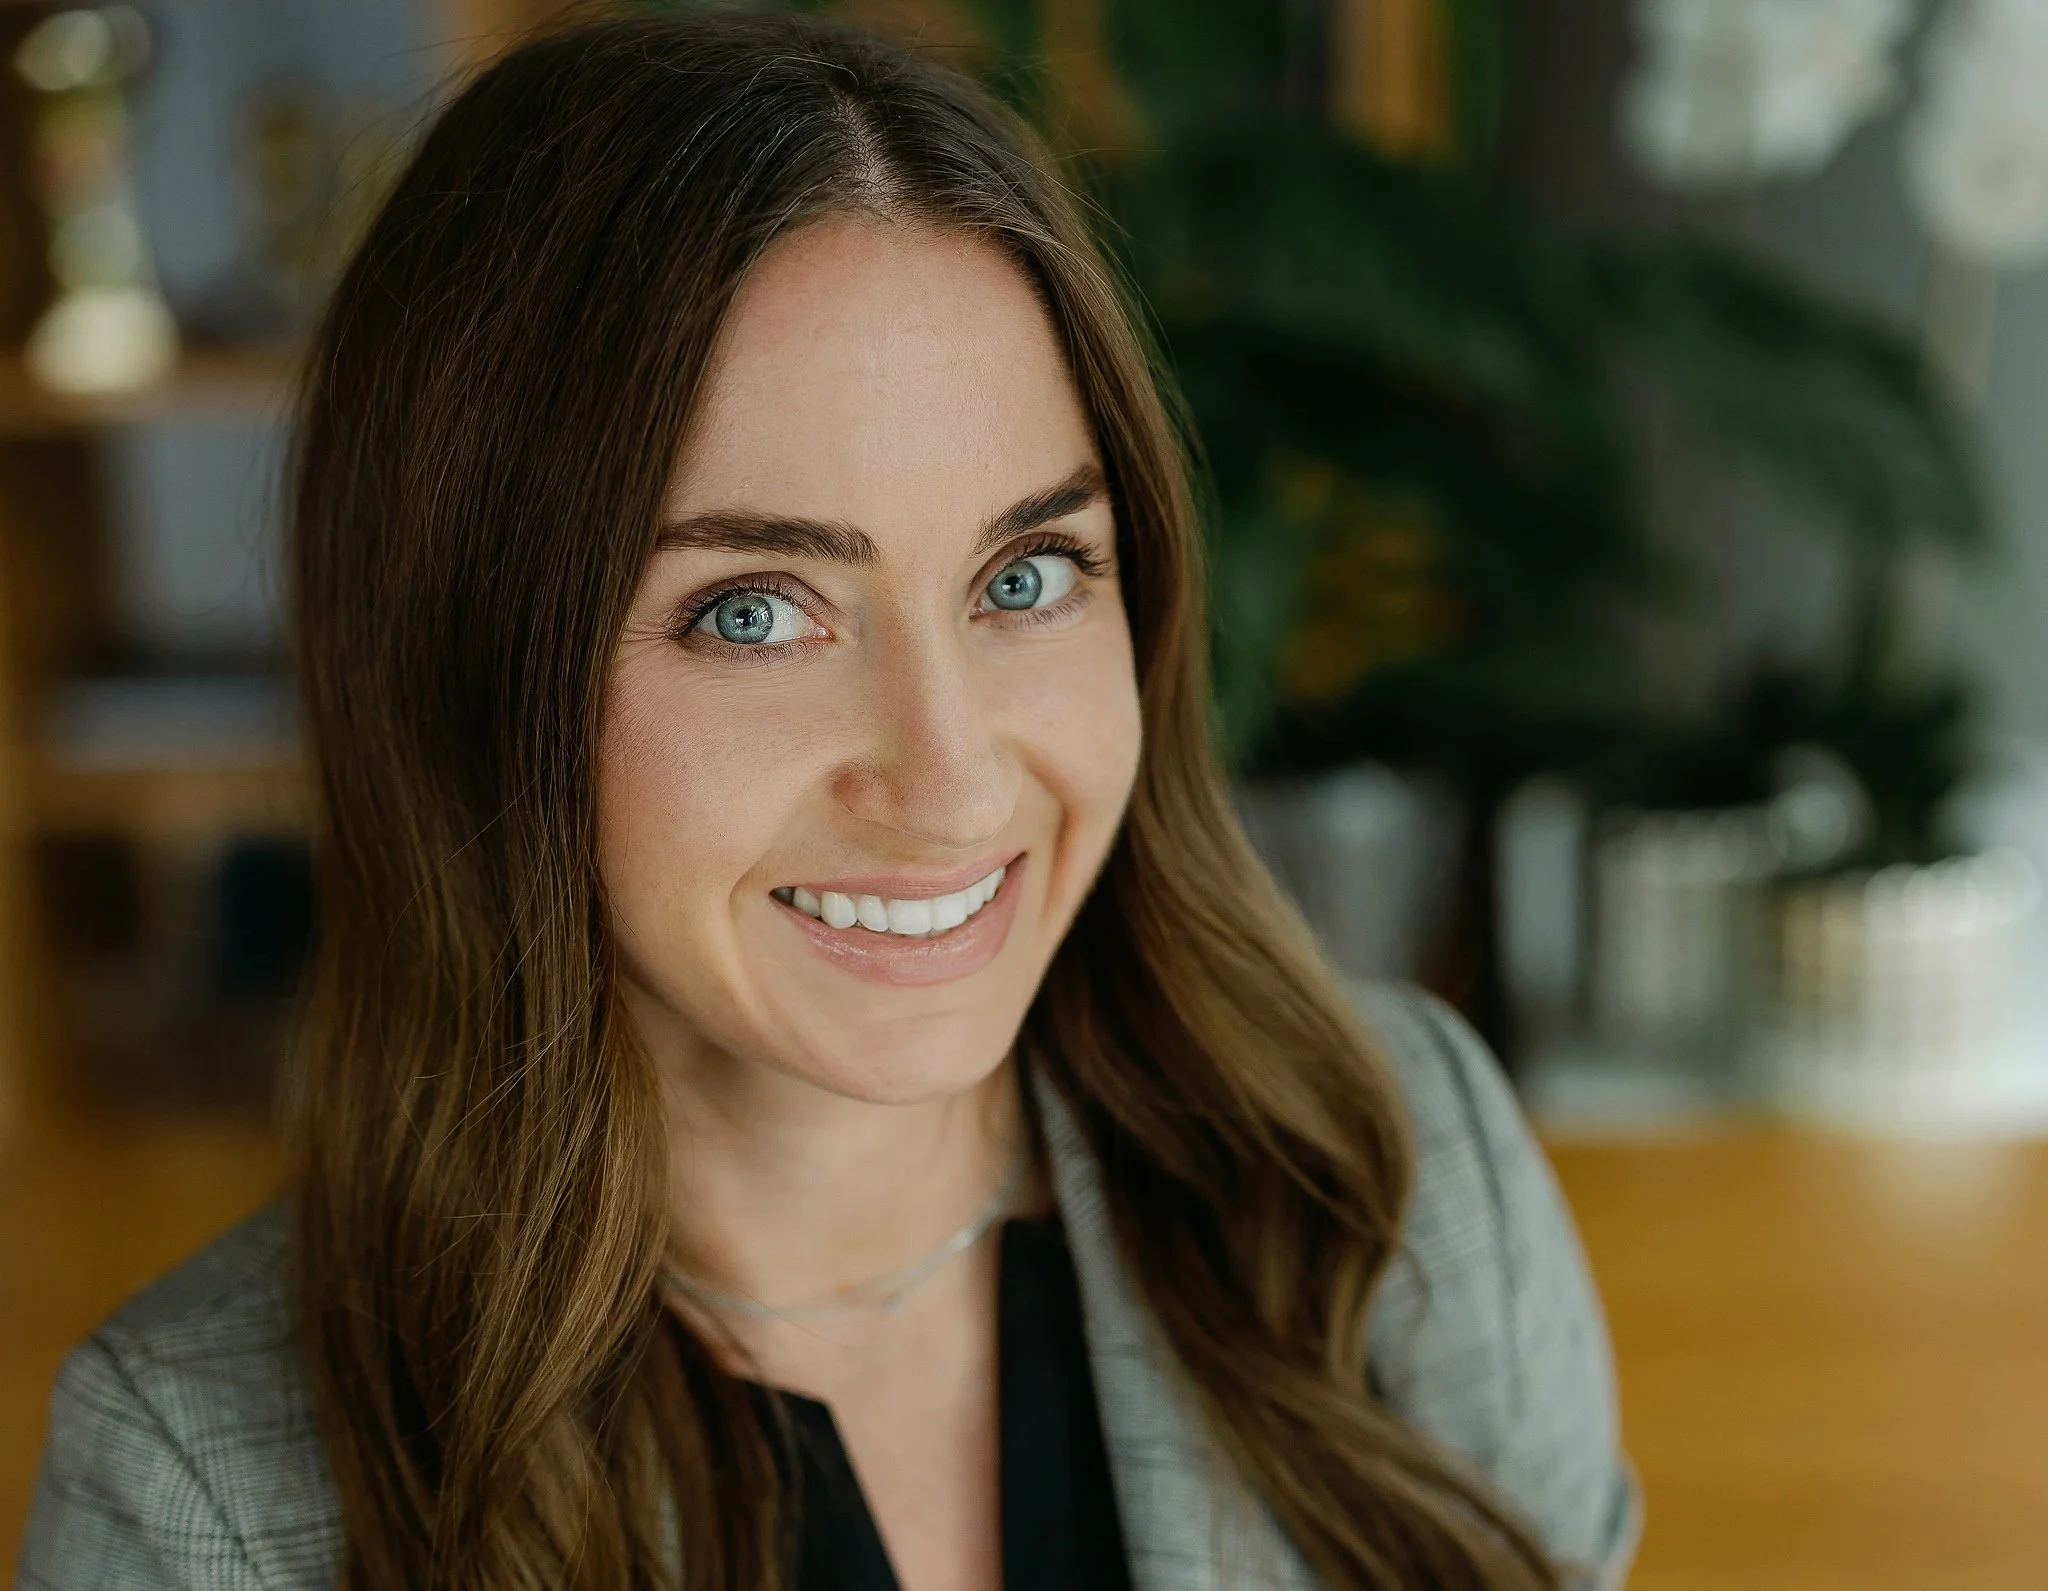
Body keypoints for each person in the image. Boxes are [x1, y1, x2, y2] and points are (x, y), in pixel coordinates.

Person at [16, 13, 1637, 1591]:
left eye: (1027, 572)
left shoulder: (1395, 1184)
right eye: (753, 610)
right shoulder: (204, 1485)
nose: (952, 778)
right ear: (465, 668)